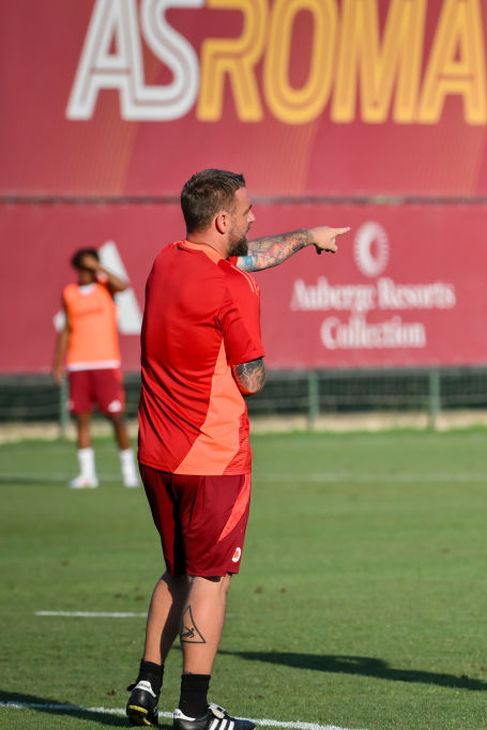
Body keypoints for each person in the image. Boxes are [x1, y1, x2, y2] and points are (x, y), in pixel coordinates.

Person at [124, 168, 349, 730]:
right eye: (248, 211)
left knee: (175, 569)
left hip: (156, 452)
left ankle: (146, 686)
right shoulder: (232, 287)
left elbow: (246, 257)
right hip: (214, 458)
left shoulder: (166, 259)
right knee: (210, 579)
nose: (254, 220)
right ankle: (195, 712)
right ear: (223, 220)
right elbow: (251, 379)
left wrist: (304, 237)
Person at [53, 248, 139, 489]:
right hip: (79, 364)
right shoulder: (69, 293)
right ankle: (87, 475)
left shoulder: (106, 288)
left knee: (116, 417)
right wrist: (59, 364)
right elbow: (67, 329)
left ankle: (128, 473)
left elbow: (123, 286)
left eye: (87, 267)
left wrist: (99, 267)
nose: (83, 273)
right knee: (82, 419)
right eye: (80, 268)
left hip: (106, 363)